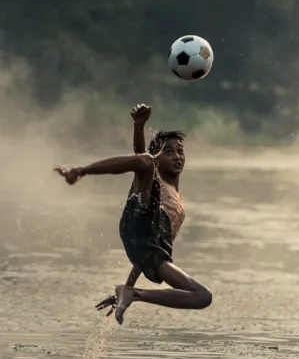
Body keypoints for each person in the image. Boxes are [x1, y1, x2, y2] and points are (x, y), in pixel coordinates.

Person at [53, 104, 212, 324]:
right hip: (139, 217)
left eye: (180, 151)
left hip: (150, 246)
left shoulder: (178, 203)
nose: (177, 156)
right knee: (144, 163)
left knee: (203, 297)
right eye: (169, 152)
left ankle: (134, 294)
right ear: (159, 159)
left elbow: (146, 253)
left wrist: (128, 285)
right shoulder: (154, 177)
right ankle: (79, 171)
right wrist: (139, 126)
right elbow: (141, 158)